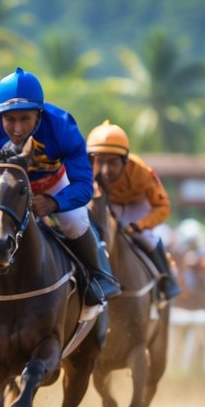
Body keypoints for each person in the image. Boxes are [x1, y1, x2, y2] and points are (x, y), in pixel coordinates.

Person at [0, 67, 120, 304]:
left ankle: (98, 275)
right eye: (10, 119)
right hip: (3, 188)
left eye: (25, 118)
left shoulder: (62, 126)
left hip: (49, 184)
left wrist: (55, 202)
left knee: (75, 222)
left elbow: (84, 185)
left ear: (39, 115)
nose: (18, 128)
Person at [85, 120, 182, 299]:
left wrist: (141, 224)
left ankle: (166, 280)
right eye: (100, 162)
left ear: (125, 160)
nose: (105, 170)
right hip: (106, 202)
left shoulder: (143, 172)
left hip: (135, 204)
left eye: (113, 162)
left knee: (145, 238)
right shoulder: (85, 169)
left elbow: (163, 206)